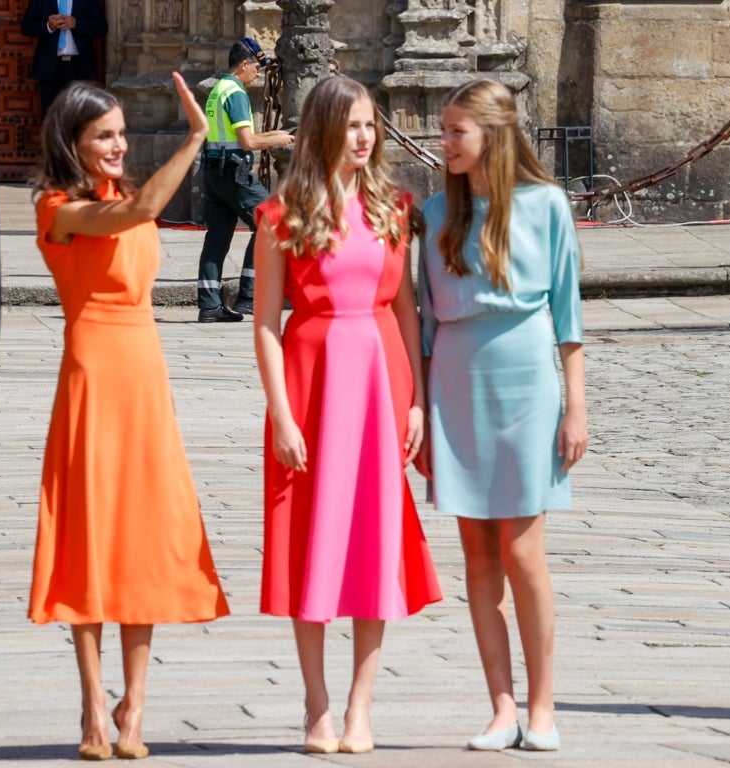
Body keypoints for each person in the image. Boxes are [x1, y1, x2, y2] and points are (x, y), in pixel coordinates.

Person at [27, 77, 229, 761]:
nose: (117, 145)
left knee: (142, 535)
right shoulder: (58, 207)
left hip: (144, 373)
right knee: (88, 536)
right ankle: (91, 707)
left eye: (120, 134)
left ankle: (134, 707)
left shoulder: (120, 198)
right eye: (103, 136)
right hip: (91, 372)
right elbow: (143, 207)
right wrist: (197, 138)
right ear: (73, 142)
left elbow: (138, 205)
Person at [253, 75, 442, 755]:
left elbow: (404, 311)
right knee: (311, 544)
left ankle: (362, 706)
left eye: (372, 126)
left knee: (372, 545)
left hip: (380, 383)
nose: (365, 137)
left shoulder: (395, 207)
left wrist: (417, 399)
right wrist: (280, 412)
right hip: (309, 383)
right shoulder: (281, 217)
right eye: (353, 125)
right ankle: (317, 705)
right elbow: (267, 323)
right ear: (324, 130)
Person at [417, 78, 587, 753]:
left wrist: (576, 407)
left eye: (456, 129)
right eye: (444, 128)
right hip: (454, 383)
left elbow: (569, 319)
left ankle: (543, 706)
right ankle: (500, 706)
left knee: (522, 550)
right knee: (477, 553)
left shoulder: (548, 206)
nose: (444, 141)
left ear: (492, 131)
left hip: (527, 381)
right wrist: (421, 415)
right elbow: (425, 323)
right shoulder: (435, 213)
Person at [195, 37, 294, 322]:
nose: (259, 73)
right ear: (244, 64)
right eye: (257, 68)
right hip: (234, 173)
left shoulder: (217, 90)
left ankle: (210, 305)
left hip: (215, 172)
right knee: (273, 220)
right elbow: (247, 141)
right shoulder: (235, 92)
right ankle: (249, 296)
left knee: (217, 237)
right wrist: (279, 137)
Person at [20, 0, 108, 117]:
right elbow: (27, 27)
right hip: (50, 68)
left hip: (79, 67)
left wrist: (76, 24)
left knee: (79, 116)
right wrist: (49, 26)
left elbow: (102, 27)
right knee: (50, 115)